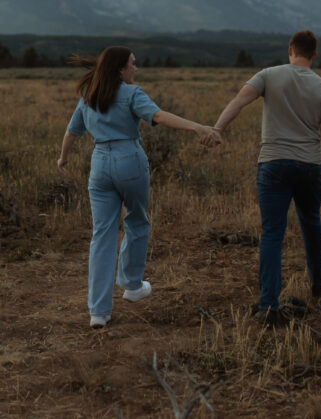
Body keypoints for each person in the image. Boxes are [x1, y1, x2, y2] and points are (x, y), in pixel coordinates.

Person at [58, 46, 220, 329]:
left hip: (99, 165)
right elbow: (158, 116)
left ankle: (98, 312)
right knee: (136, 220)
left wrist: (63, 157)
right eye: (133, 64)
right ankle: (132, 286)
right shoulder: (132, 94)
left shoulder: (88, 96)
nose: (136, 68)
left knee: (102, 234)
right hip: (129, 161)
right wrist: (197, 127)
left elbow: (72, 131)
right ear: (121, 69)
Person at [204, 30, 321, 324]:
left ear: (290, 49)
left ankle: (268, 304)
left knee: (272, 233)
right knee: (311, 222)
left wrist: (217, 128)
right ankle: (317, 280)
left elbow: (240, 101)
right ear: (314, 55)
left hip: (274, 164)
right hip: (310, 166)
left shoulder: (268, 74)